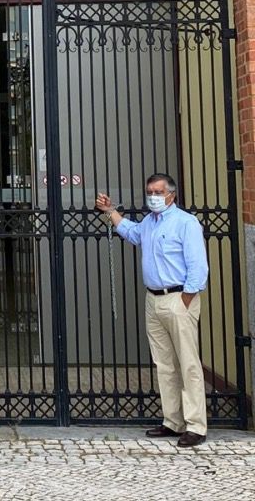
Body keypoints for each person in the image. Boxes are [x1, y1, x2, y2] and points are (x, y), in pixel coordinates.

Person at [95, 173, 209, 447]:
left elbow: (198, 265)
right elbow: (132, 233)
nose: (153, 197)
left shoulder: (186, 223)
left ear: (172, 194)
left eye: (158, 192)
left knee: (188, 362)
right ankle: (173, 421)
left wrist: (186, 298)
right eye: (150, 192)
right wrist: (111, 211)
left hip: (178, 297)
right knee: (164, 364)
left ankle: (196, 425)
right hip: (154, 299)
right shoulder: (149, 222)